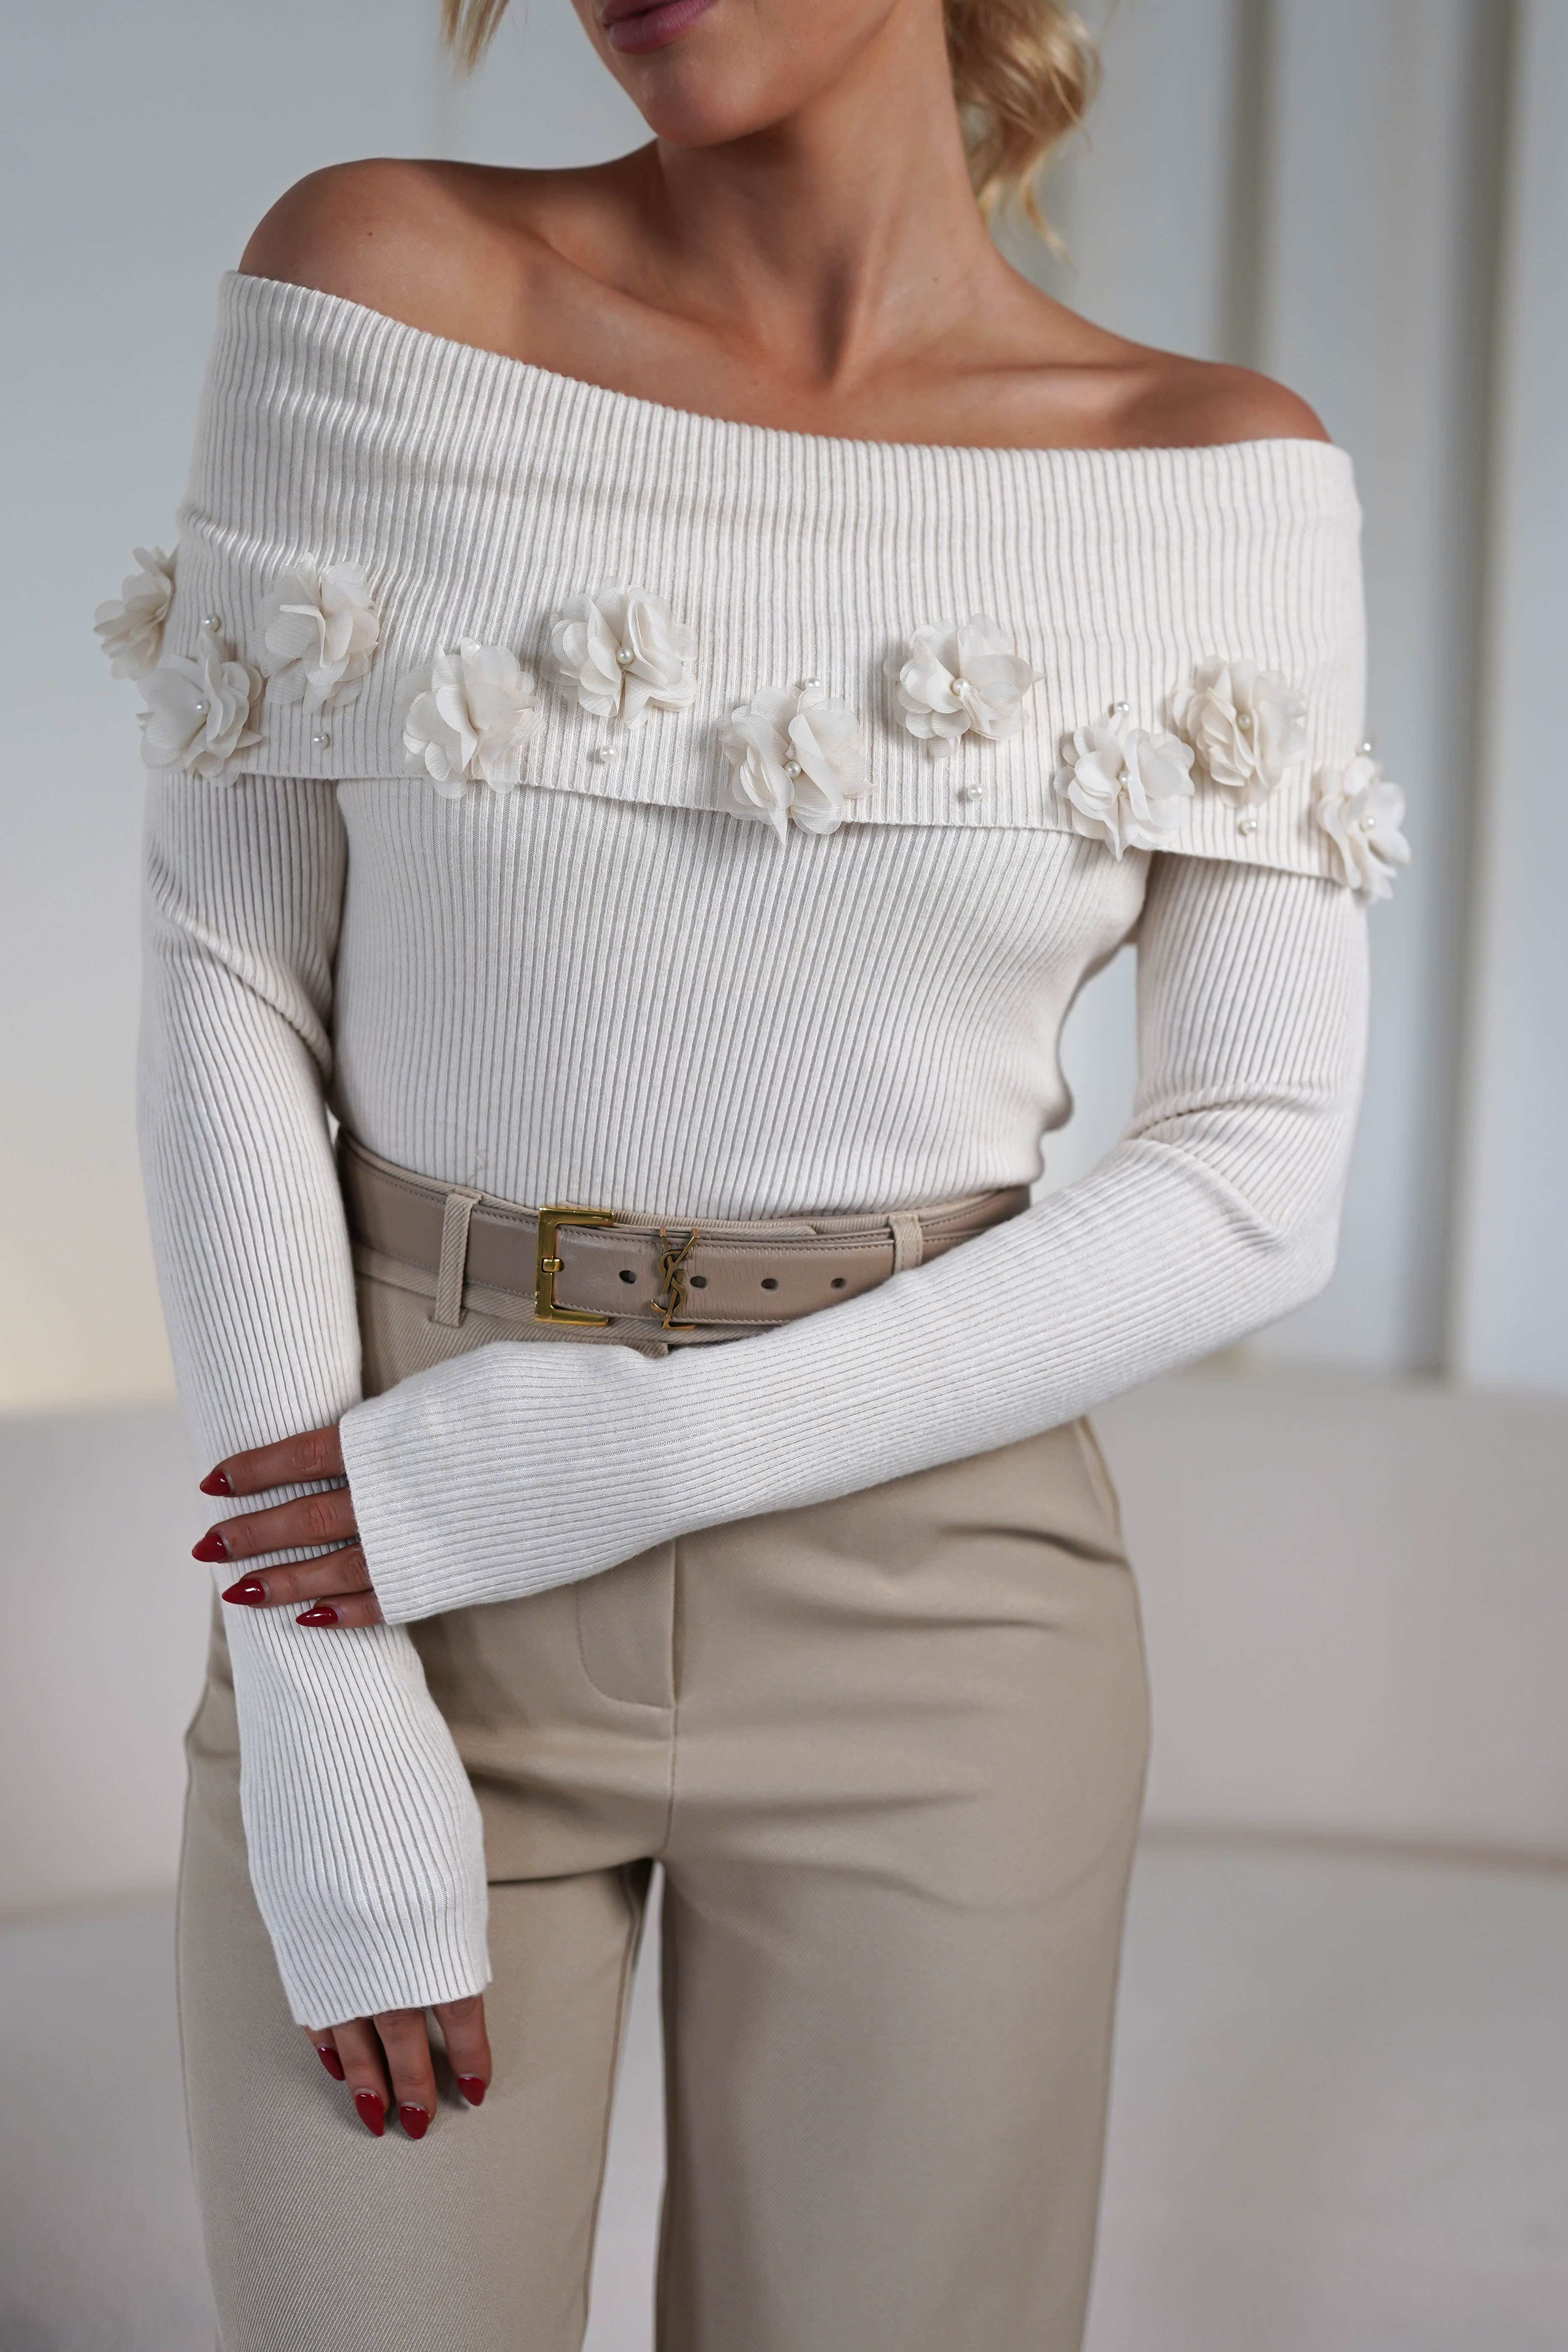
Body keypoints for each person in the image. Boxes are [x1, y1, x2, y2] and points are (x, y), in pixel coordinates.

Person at [111, 0, 1405, 2344]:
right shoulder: (380, 290)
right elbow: (230, 968)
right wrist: (323, 1702)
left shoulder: (1209, 478)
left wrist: (618, 1458)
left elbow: (1254, 1170)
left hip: (935, 1608)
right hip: (387, 1541)